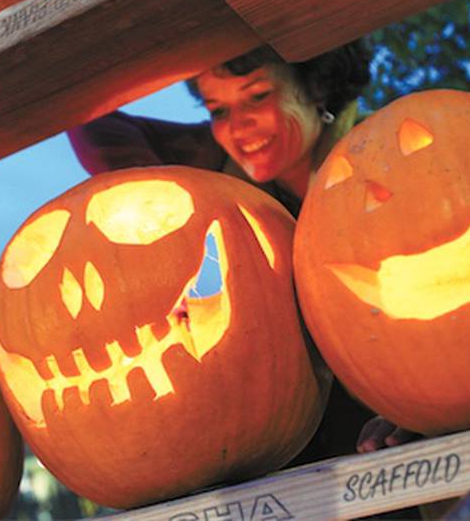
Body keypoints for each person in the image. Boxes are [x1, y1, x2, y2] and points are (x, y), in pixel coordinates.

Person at [67, 39, 416, 460]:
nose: (238, 126)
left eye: (258, 96)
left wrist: (419, 401)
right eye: (219, 111)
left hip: (387, 424)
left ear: (316, 86)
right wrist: (177, 179)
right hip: (287, 440)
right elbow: (92, 124)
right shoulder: (231, 188)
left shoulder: (388, 160)